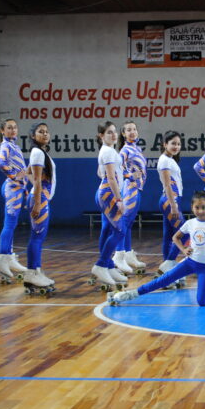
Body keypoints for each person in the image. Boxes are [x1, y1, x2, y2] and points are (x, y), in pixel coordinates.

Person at [110, 191, 205, 306]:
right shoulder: (190, 223)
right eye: (197, 207)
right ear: (192, 207)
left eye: (203, 207)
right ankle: (131, 294)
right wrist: (183, 249)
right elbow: (175, 238)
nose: (200, 211)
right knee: (163, 280)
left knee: (202, 302)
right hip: (189, 263)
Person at [0, 118, 29, 282]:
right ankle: (2, 258)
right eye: (9, 128)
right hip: (12, 189)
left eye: (14, 128)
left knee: (12, 225)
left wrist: (24, 187)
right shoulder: (5, 145)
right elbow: (1, 163)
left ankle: (9, 256)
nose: (12, 130)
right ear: (2, 131)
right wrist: (14, 177)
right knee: (9, 224)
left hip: (18, 188)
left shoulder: (14, 145)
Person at [90, 121, 128, 291]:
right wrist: (119, 200)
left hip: (106, 193)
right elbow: (111, 178)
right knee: (120, 231)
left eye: (114, 132)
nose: (113, 135)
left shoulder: (109, 151)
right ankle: (101, 265)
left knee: (110, 230)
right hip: (109, 194)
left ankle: (109, 267)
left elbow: (103, 173)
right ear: (101, 136)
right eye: (109, 133)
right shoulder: (108, 152)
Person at [24, 122, 57, 293]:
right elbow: (36, 180)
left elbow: (27, 172)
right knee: (37, 237)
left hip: (41, 198)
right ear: (33, 136)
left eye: (46, 131)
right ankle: (33, 271)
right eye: (40, 132)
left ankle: (35, 270)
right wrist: (37, 202)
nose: (45, 134)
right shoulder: (37, 153)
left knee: (38, 237)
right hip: (40, 199)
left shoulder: (40, 153)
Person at [114, 121, 147, 274]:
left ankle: (127, 254)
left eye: (134, 129)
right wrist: (129, 175)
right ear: (123, 134)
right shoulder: (125, 150)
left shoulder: (136, 148)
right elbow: (118, 168)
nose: (132, 132)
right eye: (128, 130)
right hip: (129, 188)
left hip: (136, 188)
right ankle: (118, 256)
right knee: (124, 222)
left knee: (129, 223)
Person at [156, 131, 189, 287]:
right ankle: (168, 265)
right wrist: (173, 205)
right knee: (183, 232)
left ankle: (167, 273)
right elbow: (168, 184)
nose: (176, 146)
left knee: (169, 235)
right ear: (165, 144)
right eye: (173, 143)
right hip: (170, 201)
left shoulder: (169, 160)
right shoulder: (164, 161)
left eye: (178, 143)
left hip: (172, 200)